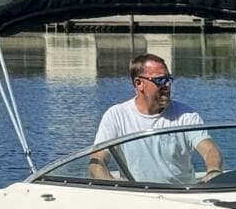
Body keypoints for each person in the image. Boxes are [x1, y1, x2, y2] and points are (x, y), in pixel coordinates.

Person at [88, 53, 223, 184]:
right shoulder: (116, 115)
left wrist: (213, 171)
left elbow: (209, 149)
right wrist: (112, 186)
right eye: (160, 80)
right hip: (136, 194)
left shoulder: (186, 115)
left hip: (182, 193)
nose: (167, 85)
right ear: (139, 83)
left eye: (168, 79)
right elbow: (97, 160)